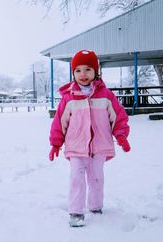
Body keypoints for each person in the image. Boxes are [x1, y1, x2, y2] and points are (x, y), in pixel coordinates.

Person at [48, 50, 130, 227]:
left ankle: (95, 207)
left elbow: (118, 117)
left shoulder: (106, 96)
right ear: (73, 73)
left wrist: (121, 135)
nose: (83, 74)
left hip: (99, 147)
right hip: (76, 146)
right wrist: (56, 144)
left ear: (96, 71)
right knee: (76, 179)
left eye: (87, 69)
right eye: (78, 70)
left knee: (96, 178)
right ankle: (76, 212)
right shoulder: (69, 98)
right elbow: (59, 122)